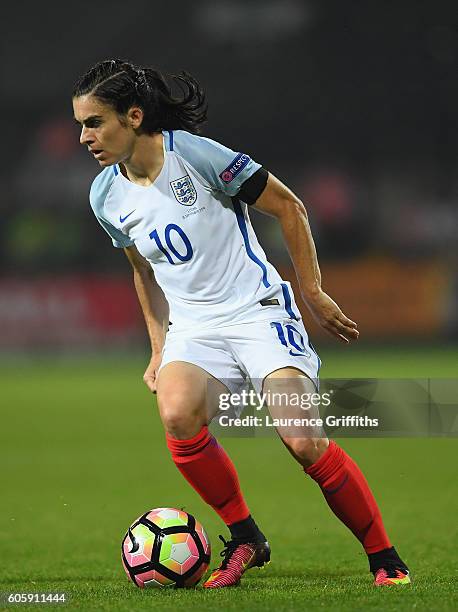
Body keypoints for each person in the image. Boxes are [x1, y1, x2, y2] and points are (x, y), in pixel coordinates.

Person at [72, 59, 410, 589]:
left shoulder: (197, 156)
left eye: (94, 123)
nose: (84, 136)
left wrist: (313, 291)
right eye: (81, 125)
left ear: (133, 117)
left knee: (302, 440)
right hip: (195, 328)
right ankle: (246, 537)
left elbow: (290, 207)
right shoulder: (105, 196)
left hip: (256, 310)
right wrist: (159, 346)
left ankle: (384, 555)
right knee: (178, 415)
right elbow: (143, 270)